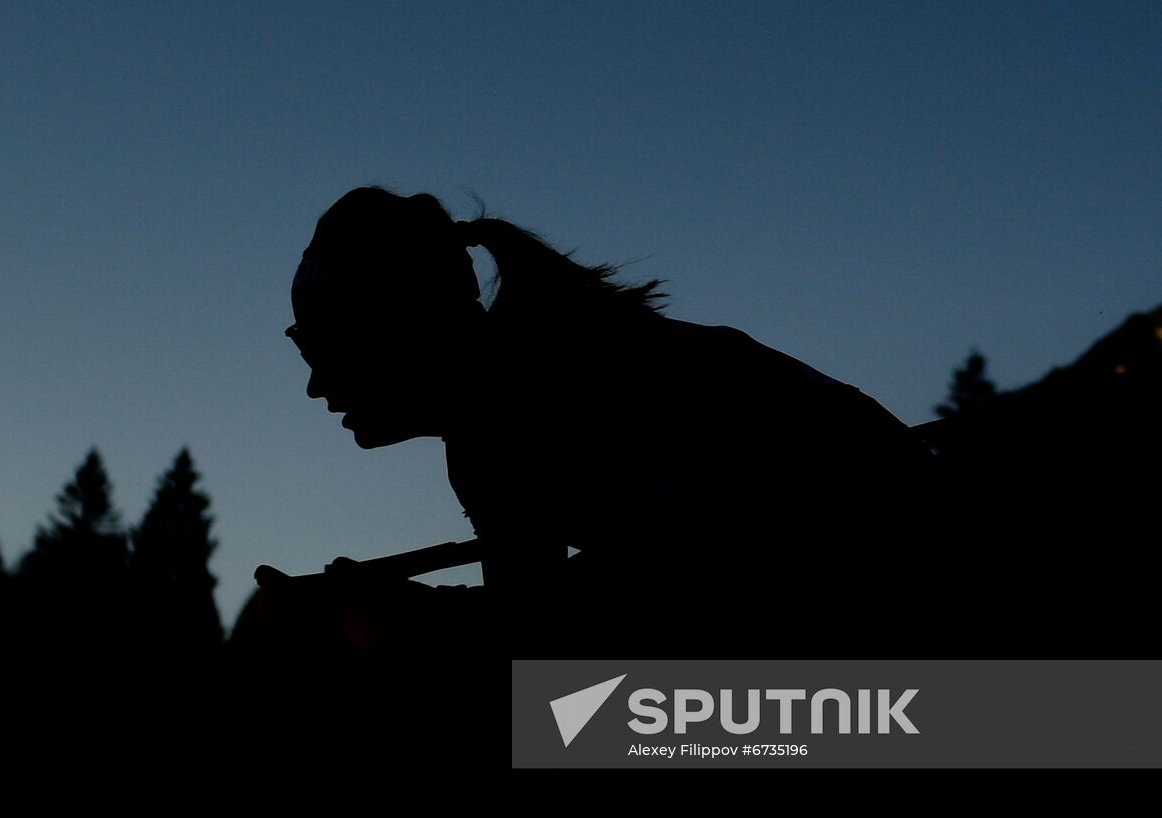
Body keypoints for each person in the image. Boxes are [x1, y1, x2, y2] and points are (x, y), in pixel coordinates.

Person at [286, 186, 936, 659]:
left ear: (400, 331)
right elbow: (538, 634)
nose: (315, 384)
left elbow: (654, 603)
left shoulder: (534, 397)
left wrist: (411, 618)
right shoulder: (502, 406)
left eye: (320, 347)